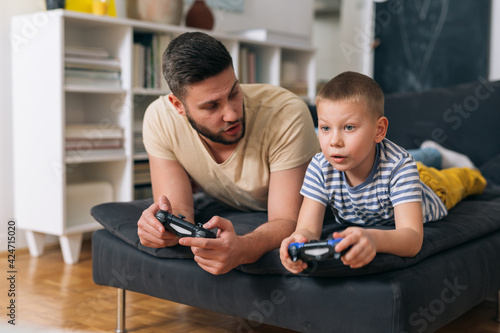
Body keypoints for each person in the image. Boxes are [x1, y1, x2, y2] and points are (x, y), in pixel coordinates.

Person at [137, 31, 320, 275]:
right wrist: (163, 229)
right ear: (178, 105)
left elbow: (287, 221)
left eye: (234, 92)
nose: (232, 114)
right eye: (212, 105)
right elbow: (179, 211)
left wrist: (244, 248)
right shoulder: (160, 119)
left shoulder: (286, 115)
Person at [280, 71, 486, 273]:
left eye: (349, 127)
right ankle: (432, 152)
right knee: (419, 164)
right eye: (325, 128)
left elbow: (412, 238)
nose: (334, 141)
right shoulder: (319, 166)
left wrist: (374, 239)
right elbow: (307, 228)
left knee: (463, 180)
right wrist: (299, 240)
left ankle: (459, 164)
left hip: (431, 187)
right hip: (394, 174)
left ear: (379, 130)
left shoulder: (400, 166)